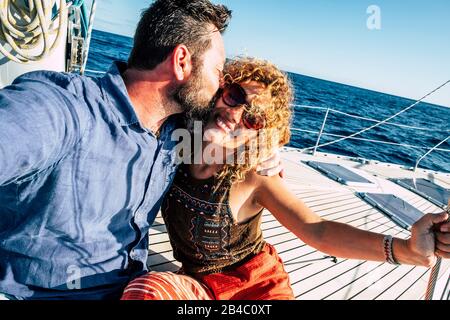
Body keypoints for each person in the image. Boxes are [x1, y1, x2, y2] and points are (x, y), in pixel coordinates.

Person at [121, 57, 450, 300]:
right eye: (235, 96)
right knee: (147, 292)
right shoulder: (176, 136)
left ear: (260, 133)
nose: (235, 114)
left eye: (253, 118)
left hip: (255, 288)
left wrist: (407, 249)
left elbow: (317, 229)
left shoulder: (253, 178)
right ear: (219, 90)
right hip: (199, 285)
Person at [0, 0, 243, 300]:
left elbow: (238, 122)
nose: (221, 84)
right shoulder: (64, 109)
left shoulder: (177, 128)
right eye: (218, 70)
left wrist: (265, 146)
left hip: (133, 288)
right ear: (181, 61)